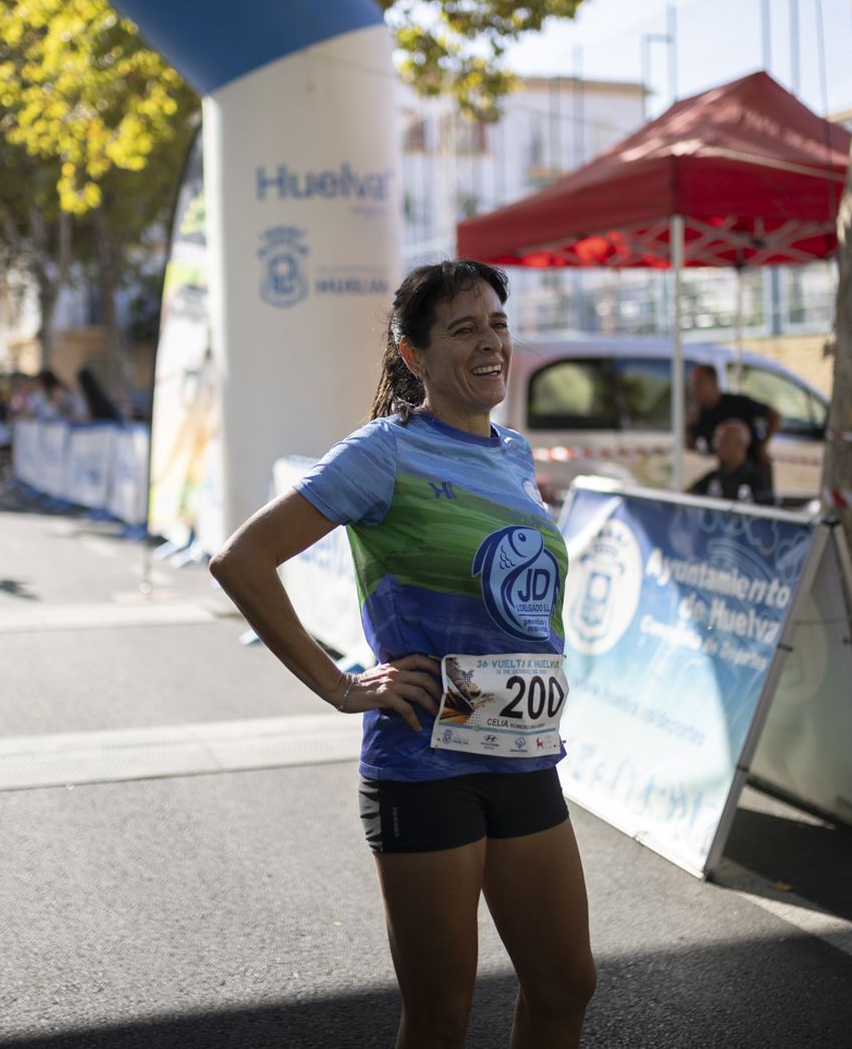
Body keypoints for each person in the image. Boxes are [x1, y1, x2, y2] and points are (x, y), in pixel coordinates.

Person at [210, 260, 595, 1049]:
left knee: (565, 983)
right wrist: (342, 687)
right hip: (425, 764)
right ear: (412, 353)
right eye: (463, 328)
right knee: (442, 1011)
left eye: (497, 323)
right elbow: (241, 560)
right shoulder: (385, 453)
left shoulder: (514, 454)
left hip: (523, 755)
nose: (490, 342)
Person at [685, 362, 780, 469]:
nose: (693, 391)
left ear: (713, 383)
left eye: (698, 385)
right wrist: (688, 426)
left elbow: (774, 415)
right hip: (723, 472)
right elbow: (690, 448)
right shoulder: (698, 414)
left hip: (752, 466)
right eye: (691, 386)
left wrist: (763, 446)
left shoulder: (738, 403)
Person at [689, 419, 775, 504]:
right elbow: (687, 496)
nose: (717, 445)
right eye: (716, 440)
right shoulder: (714, 476)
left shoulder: (756, 478)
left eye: (723, 440)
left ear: (739, 444)